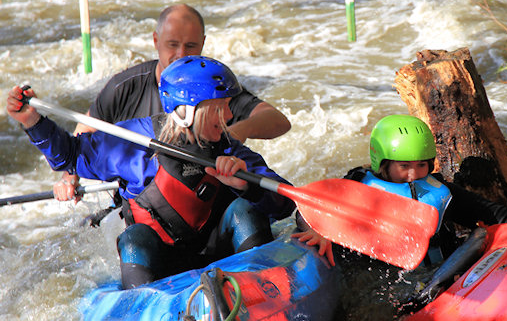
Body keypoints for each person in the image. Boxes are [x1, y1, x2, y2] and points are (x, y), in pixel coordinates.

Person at [7, 55, 296, 289]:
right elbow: (70, 155)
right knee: (134, 239)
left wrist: (248, 185)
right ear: (185, 113)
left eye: (228, 108)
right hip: (162, 264)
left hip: (221, 253)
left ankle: (264, 288)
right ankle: (140, 306)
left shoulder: (228, 149)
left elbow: (285, 203)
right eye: (218, 109)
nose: (230, 117)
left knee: (244, 210)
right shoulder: (136, 142)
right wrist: (32, 121)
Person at [7, 4, 291, 202]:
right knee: (135, 235)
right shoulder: (129, 110)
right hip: (149, 206)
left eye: (190, 46)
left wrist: (235, 146)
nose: (180, 54)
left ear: (202, 44)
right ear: (156, 41)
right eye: (172, 44)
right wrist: (36, 126)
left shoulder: (214, 88)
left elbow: (285, 196)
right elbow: (78, 146)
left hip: (211, 222)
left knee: (245, 212)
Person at [293, 114, 507, 269]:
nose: (414, 173)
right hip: (379, 272)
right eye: (404, 166)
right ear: (381, 163)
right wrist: (321, 230)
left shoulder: (440, 191)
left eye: (422, 165)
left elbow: (498, 215)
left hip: (438, 274)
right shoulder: (357, 185)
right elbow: (310, 209)